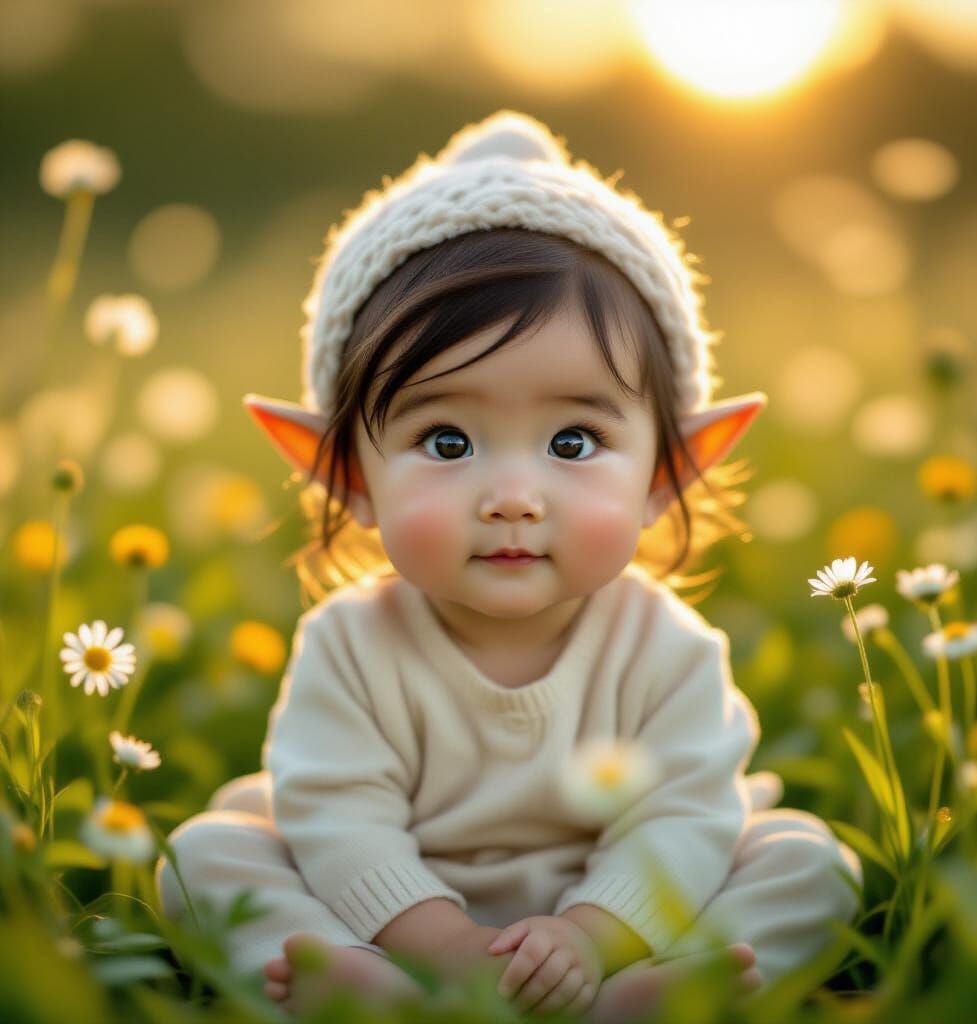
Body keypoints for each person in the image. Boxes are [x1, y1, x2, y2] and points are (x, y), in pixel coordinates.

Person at [156, 110, 861, 1022]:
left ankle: (637, 996)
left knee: (806, 861)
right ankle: (367, 988)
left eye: (574, 439)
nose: (514, 495)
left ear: (669, 469)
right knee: (207, 854)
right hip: (394, 912)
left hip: (617, 917)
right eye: (446, 440)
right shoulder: (350, 643)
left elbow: (683, 819)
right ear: (343, 472)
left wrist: (589, 936)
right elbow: (340, 818)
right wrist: (451, 950)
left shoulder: (668, 647)